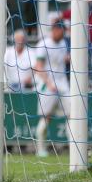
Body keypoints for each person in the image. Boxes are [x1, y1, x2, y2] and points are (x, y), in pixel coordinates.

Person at [31, 19, 69, 158]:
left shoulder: (63, 43)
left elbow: (61, 61)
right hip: (47, 85)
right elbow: (38, 67)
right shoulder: (43, 44)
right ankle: (40, 149)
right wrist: (49, 83)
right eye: (62, 31)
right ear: (55, 30)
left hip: (63, 84)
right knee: (46, 117)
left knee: (73, 114)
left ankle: (75, 147)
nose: (63, 34)